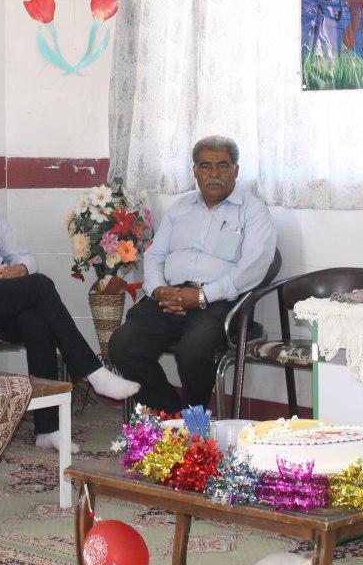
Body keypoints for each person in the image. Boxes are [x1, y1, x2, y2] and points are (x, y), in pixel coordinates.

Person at [0, 139, 139, 453]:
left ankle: (47, 429)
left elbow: (24, 255)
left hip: (1, 293)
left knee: (37, 323)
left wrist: (19, 268)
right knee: (40, 285)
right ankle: (92, 371)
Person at [109, 135, 277, 415]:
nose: (214, 174)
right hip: (170, 298)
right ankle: (175, 415)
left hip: (219, 303)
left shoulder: (253, 211)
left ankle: (193, 418)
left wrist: (201, 296)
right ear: (195, 171)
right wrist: (159, 289)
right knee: (123, 344)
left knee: (194, 350)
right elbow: (155, 255)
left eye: (222, 166)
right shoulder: (181, 208)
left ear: (236, 170)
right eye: (205, 166)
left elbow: (253, 268)